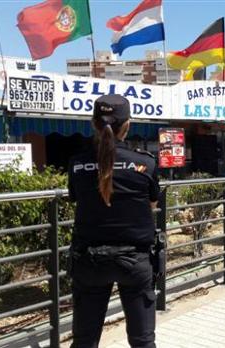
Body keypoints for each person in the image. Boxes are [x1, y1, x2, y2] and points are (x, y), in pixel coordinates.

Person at [68, 95, 159, 348]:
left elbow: (76, 199)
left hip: (89, 261)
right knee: (143, 342)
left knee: (84, 341)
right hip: (135, 261)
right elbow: (152, 205)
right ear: (127, 125)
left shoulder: (76, 164)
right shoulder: (146, 163)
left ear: (93, 124)